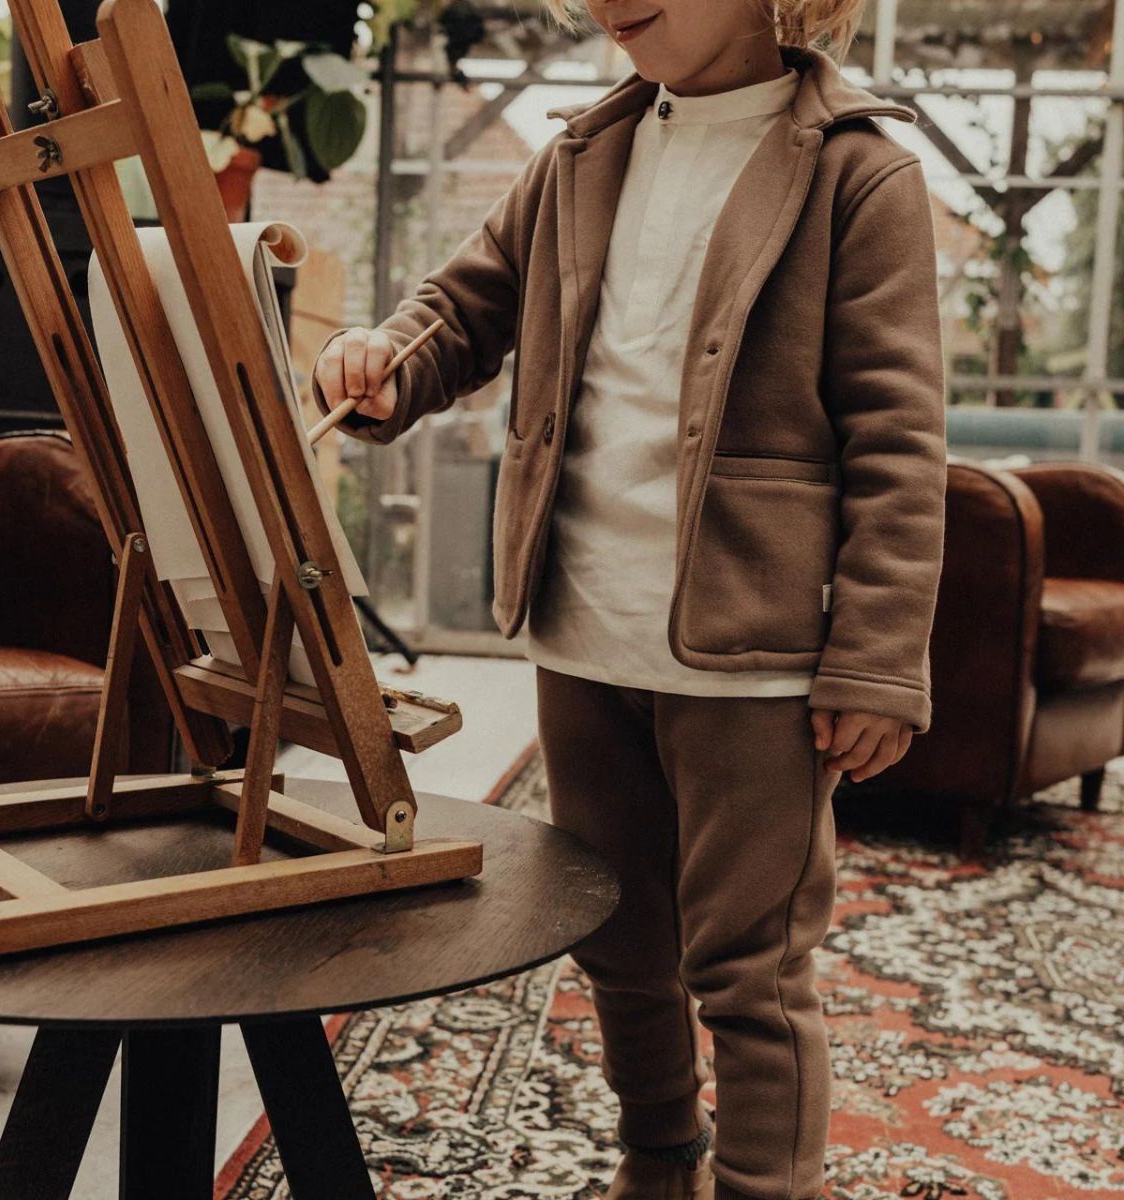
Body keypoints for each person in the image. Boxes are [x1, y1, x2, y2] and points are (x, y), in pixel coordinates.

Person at [312, 0, 947, 1195]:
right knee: (617, 941)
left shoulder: (863, 173)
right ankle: (660, 1160)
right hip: (580, 628)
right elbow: (462, 311)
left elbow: (900, 447)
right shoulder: (577, 154)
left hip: (750, 662)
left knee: (751, 968)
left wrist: (875, 659)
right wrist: (386, 358)